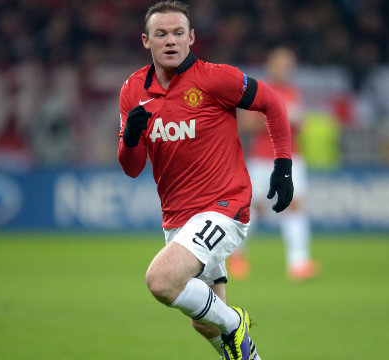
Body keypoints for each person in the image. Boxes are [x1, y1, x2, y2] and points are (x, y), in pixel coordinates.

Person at [116, 2, 293, 359]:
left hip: (224, 206)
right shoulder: (133, 90)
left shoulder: (215, 78)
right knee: (204, 322)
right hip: (177, 217)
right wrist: (131, 139)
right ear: (145, 41)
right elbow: (132, 167)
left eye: (178, 33)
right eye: (161, 34)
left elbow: (271, 102)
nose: (171, 41)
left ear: (191, 38)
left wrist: (283, 165)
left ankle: (233, 322)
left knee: (162, 281)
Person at [229, 47, 318, 281]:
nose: (284, 68)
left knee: (295, 204)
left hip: (290, 157)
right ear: (271, 66)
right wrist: (279, 118)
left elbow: (298, 125)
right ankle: (236, 253)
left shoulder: (292, 92)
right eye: (279, 64)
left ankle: (298, 263)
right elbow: (247, 123)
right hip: (263, 158)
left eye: (288, 64)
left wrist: (298, 122)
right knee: (255, 209)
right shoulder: (259, 90)